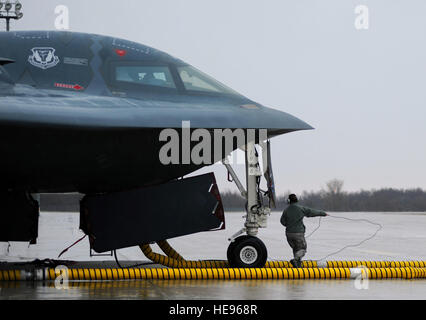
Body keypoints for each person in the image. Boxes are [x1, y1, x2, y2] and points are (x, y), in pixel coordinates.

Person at [280, 194, 327, 268]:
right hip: (298, 233)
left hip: (288, 234)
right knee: (302, 249)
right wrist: (323, 213)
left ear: (288, 201)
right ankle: (295, 260)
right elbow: (312, 212)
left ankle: (298, 266)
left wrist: (289, 225)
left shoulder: (286, 210)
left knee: (296, 249)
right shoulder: (301, 208)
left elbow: (282, 221)